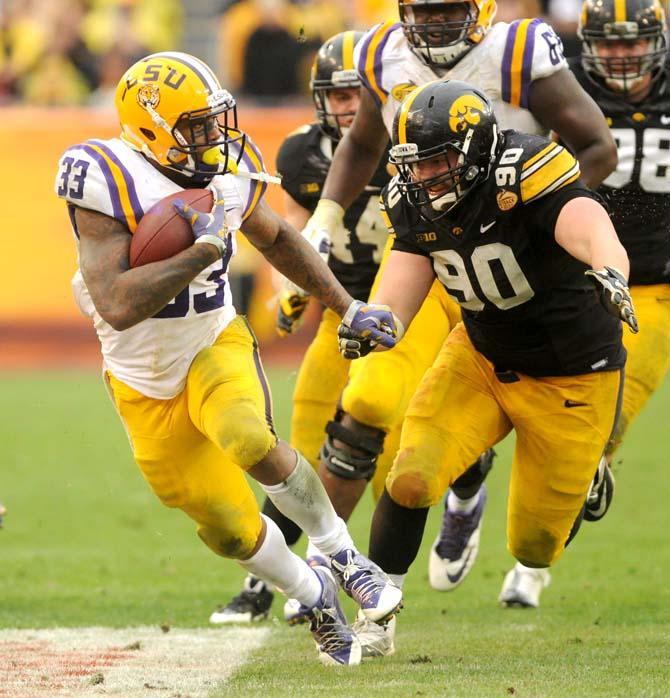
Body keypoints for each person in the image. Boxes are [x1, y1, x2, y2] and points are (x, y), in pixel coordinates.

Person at [54, 51, 403, 667]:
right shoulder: (103, 175)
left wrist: (347, 307)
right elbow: (116, 303)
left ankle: (344, 557)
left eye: (215, 120)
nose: (213, 136)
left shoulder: (227, 164)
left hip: (212, 341)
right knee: (228, 529)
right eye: (195, 125)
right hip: (140, 379)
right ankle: (314, 593)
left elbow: (277, 238)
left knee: (247, 436)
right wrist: (203, 249)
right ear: (152, 128)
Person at [299, 0, 618, 609]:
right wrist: (326, 218)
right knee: (371, 399)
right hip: (432, 250)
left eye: (449, 10)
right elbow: (363, 143)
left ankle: (543, 471)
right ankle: (357, 570)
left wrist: (541, 224)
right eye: (424, 10)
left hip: (517, 254)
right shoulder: (381, 55)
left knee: (536, 542)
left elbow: (595, 146)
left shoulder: (516, 52)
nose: (435, 23)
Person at [338, 78, 636, 649]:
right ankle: (377, 619)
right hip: (481, 355)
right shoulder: (411, 197)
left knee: (533, 546)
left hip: (571, 372)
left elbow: (588, 222)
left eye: (440, 160)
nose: (426, 176)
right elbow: (404, 281)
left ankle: (590, 469)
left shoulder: (523, 169)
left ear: (477, 149)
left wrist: (611, 268)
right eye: (415, 164)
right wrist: (379, 325)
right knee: (411, 476)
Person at [210, 31, 395, 627]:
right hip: (342, 321)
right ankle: (267, 584)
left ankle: (458, 494)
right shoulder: (301, 154)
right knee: (300, 458)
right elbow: (295, 231)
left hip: (404, 322)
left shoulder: (414, 143)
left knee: (396, 464)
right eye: (333, 96)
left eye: (352, 95)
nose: (344, 109)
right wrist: (293, 291)